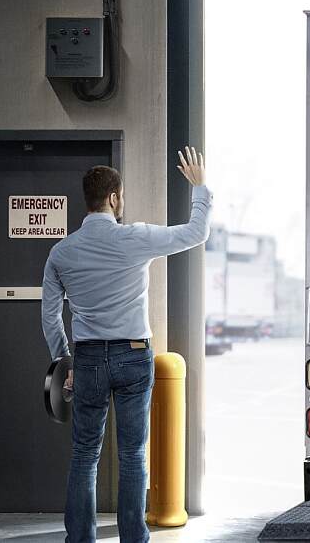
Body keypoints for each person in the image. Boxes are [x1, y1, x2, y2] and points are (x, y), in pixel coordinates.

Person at [41, 147, 211, 543]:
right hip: (134, 355)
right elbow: (195, 233)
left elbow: (50, 315)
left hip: (87, 359)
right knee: (133, 453)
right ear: (114, 198)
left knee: (85, 453)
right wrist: (200, 188)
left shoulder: (61, 252)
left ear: (88, 200)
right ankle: (133, 537)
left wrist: (62, 360)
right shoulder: (135, 238)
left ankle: (80, 539)